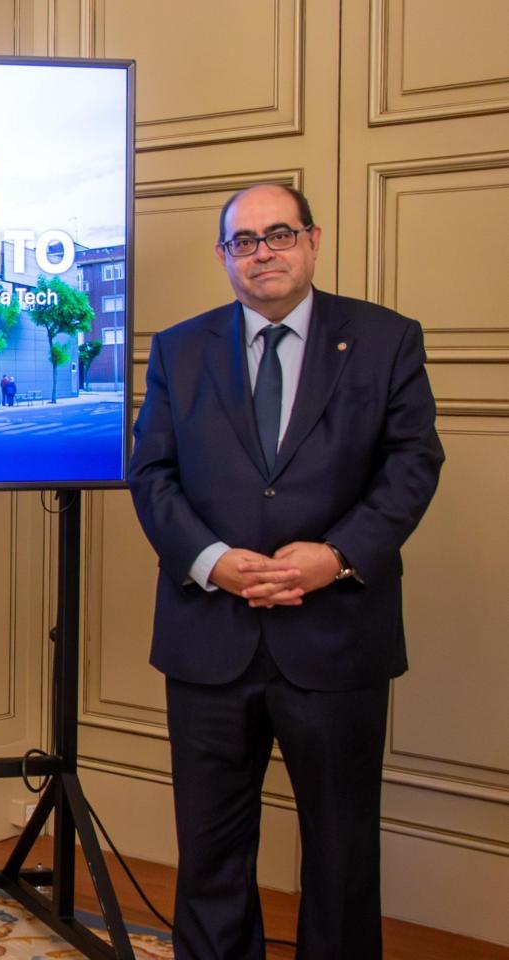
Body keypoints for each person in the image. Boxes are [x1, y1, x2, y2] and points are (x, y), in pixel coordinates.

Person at [127, 183, 442, 959]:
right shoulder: (179, 349)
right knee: (209, 850)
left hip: (336, 636)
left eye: (279, 234)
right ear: (223, 255)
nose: (262, 252)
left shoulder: (386, 339)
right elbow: (152, 473)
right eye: (244, 241)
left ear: (312, 240)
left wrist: (335, 557)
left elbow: (412, 464)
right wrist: (213, 562)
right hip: (210, 636)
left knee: (341, 852)